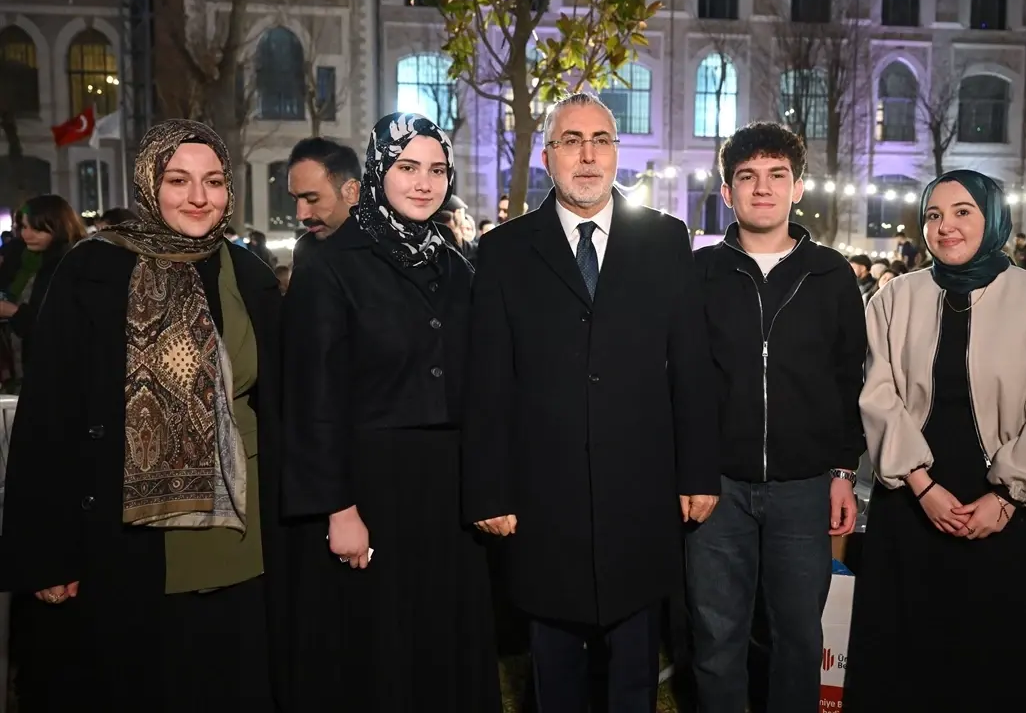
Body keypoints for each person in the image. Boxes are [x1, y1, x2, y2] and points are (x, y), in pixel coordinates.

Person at [1, 120, 290, 712]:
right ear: (148, 183)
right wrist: (46, 550)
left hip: (242, 526)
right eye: (178, 179)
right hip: (126, 532)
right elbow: (49, 415)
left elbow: (282, 401)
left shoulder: (249, 274)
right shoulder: (93, 270)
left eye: (212, 181)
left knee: (232, 683)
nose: (198, 197)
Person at [463, 92, 719, 713]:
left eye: (600, 140)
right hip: (542, 494)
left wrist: (698, 472)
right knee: (553, 667)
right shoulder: (504, 250)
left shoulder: (664, 240)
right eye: (571, 141)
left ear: (616, 153)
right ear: (547, 157)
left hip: (641, 490)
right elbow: (488, 381)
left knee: (635, 662)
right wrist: (489, 489)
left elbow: (690, 365)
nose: (587, 155)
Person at [844, 170, 1026, 712]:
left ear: (993, 218)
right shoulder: (894, 299)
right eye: (934, 214)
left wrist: (1005, 498)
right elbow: (877, 394)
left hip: (1008, 510)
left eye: (962, 212)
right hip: (911, 501)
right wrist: (921, 485)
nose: (945, 226)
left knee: (999, 658)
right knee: (906, 655)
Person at [282, 113, 500, 711]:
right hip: (369, 485)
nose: (424, 183)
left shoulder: (455, 263)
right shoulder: (330, 264)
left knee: (442, 640)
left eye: (436, 169)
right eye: (407, 168)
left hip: (447, 490)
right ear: (378, 173)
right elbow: (311, 396)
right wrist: (338, 507)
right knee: (378, 647)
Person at [690, 122, 864, 712]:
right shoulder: (699, 275)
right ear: (727, 189)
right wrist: (688, 471)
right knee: (717, 637)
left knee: (799, 636)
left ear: (797, 188)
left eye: (776, 176)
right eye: (747, 177)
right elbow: (679, 381)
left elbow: (849, 380)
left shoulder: (832, 275)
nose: (762, 188)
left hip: (804, 486)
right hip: (717, 487)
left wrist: (844, 470)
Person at [0, 195, 86, 373]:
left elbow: (63, 328)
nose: (26, 235)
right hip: (27, 365)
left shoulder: (73, 265)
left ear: (60, 227)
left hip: (59, 373)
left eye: (37, 230)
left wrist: (13, 312)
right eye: (24, 227)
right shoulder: (27, 259)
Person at [286, 136, 362, 267]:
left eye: (312, 199)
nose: (300, 215)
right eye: (295, 200)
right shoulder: (305, 252)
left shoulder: (394, 254)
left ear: (351, 192)